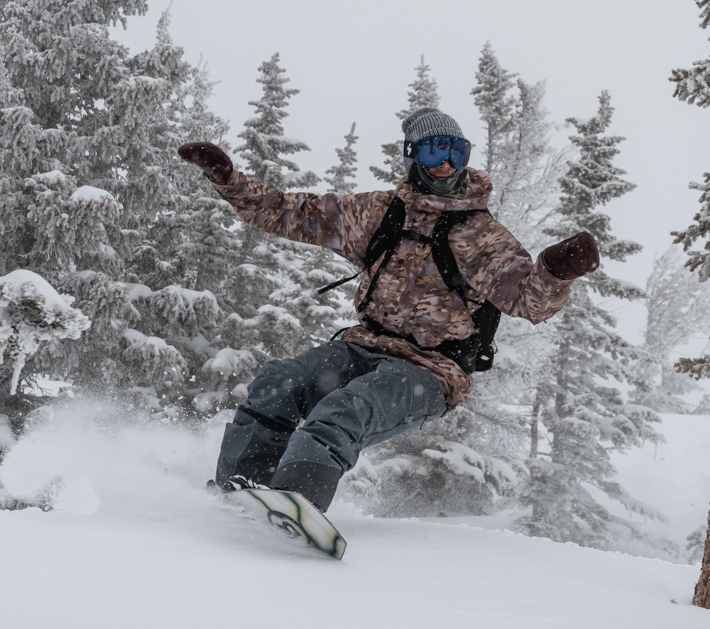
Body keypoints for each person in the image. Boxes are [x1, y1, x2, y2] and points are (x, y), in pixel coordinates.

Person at [179, 107, 599, 511]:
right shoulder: (378, 213)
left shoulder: (481, 236)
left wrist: (554, 273)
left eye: (457, 152)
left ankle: (297, 501)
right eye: (435, 151)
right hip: (361, 348)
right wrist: (229, 180)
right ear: (413, 155)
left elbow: (528, 300)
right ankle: (242, 486)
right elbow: (288, 211)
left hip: (431, 369)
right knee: (279, 380)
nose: (446, 165)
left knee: (347, 408)